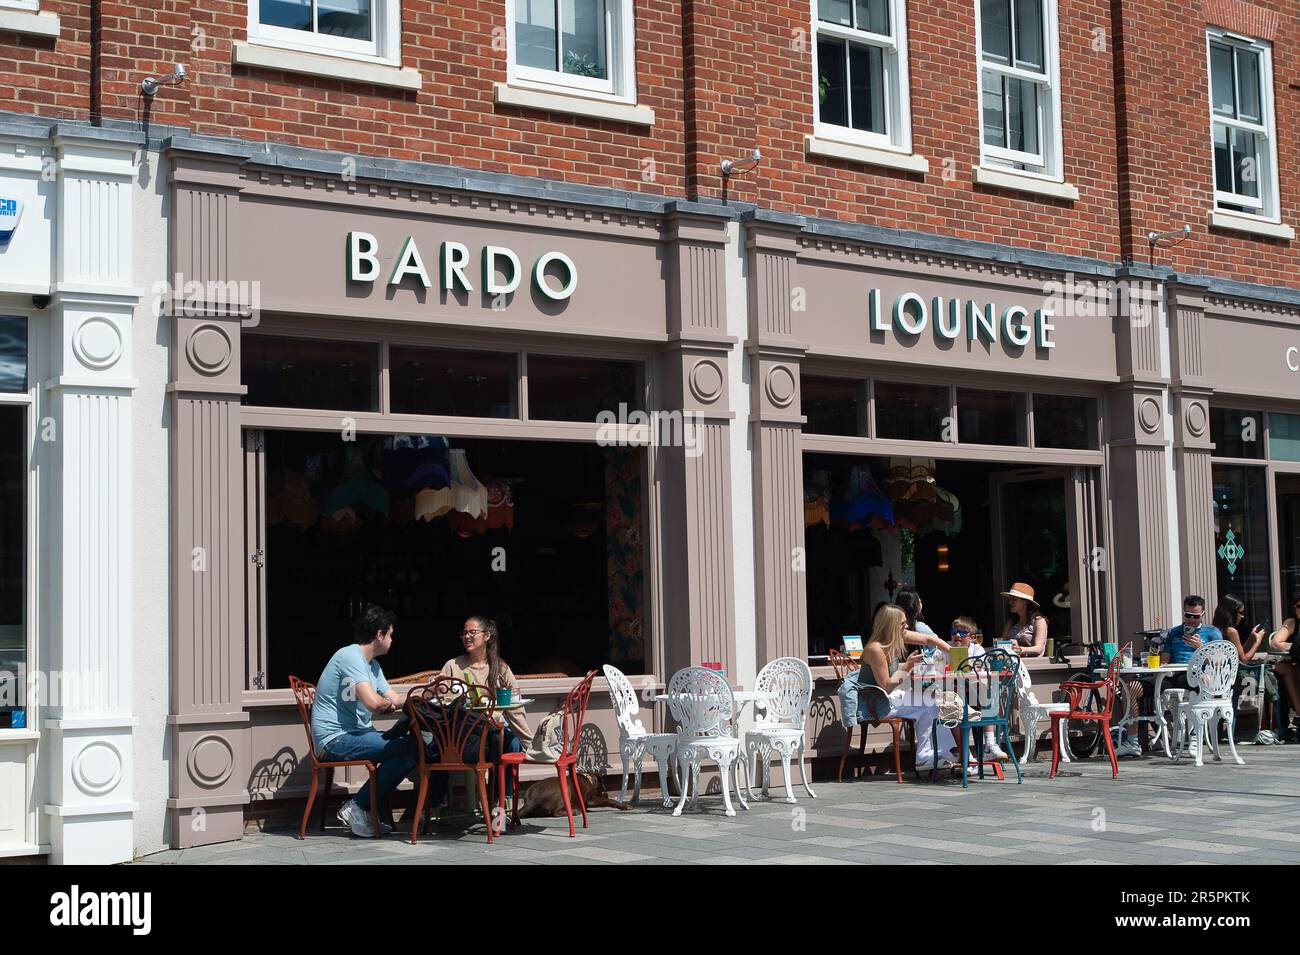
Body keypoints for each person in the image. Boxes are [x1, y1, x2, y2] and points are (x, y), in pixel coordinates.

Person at [312, 605, 416, 838]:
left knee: (412, 746)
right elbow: (373, 702)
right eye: (390, 634)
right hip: (335, 739)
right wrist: (386, 704)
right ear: (379, 635)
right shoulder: (350, 656)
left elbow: (393, 698)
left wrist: (420, 697)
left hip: (355, 734)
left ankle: (363, 808)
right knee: (410, 746)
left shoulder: (372, 666)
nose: (392, 639)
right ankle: (358, 807)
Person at [840, 604, 958, 772]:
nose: (907, 626)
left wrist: (956, 654)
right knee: (929, 702)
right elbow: (886, 687)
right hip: (875, 703)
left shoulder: (896, 637)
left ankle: (936, 754)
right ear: (892, 625)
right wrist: (908, 665)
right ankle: (930, 756)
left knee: (932, 701)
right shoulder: (876, 649)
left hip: (888, 696)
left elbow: (929, 640)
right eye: (903, 623)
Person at [439, 616, 534, 783]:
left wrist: (531, 744)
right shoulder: (452, 666)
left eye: (472, 632)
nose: (467, 636)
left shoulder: (500, 668)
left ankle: (504, 799)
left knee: (512, 744)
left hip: (494, 730)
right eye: (464, 633)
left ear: (487, 636)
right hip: (463, 733)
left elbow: (515, 707)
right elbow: (443, 701)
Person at [950, 616, 1009, 761]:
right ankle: (964, 751)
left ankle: (990, 745)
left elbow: (980, 672)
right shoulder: (946, 648)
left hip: (974, 696)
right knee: (949, 707)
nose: (957, 635)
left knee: (984, 694)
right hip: (956, 695)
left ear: (972, 637)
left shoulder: (977, 649)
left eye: (962, 633)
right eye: (954, 631)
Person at [1268, 596, 1300, 741]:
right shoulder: (1292, 623)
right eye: (1299, 606)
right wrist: (1294, 647)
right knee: (1288, 669)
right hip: (1290, 663)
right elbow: (1276, 643)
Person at [894, 585, 951, 654]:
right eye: (918, 600)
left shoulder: (895, 628)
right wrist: (956, 653)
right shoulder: (918, 626)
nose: (906, 626)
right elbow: (932, 641)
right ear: (913, 606)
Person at [1000, 583, 1047, 656]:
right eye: (1010, 599)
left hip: (1034, 664)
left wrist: (1018, 649)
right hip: (1013, 664)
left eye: (1014, 599)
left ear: (1026, 602)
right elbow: (1002, 643)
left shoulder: (1038, 621)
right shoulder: (1011, 622)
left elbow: (1038, 649)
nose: (1010, 602)